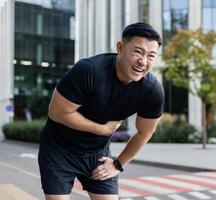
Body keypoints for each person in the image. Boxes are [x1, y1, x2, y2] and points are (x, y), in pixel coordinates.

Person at [38, 22, 164, 200]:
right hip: (59, 149)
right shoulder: (89, 70)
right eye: (138, 52)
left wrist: (118, 165)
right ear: (120, 48)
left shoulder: (152, 90)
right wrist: (102, 129)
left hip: (97, 153)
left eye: (151, 56)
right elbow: (57, 112)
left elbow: (145, 133)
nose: (143, 61)